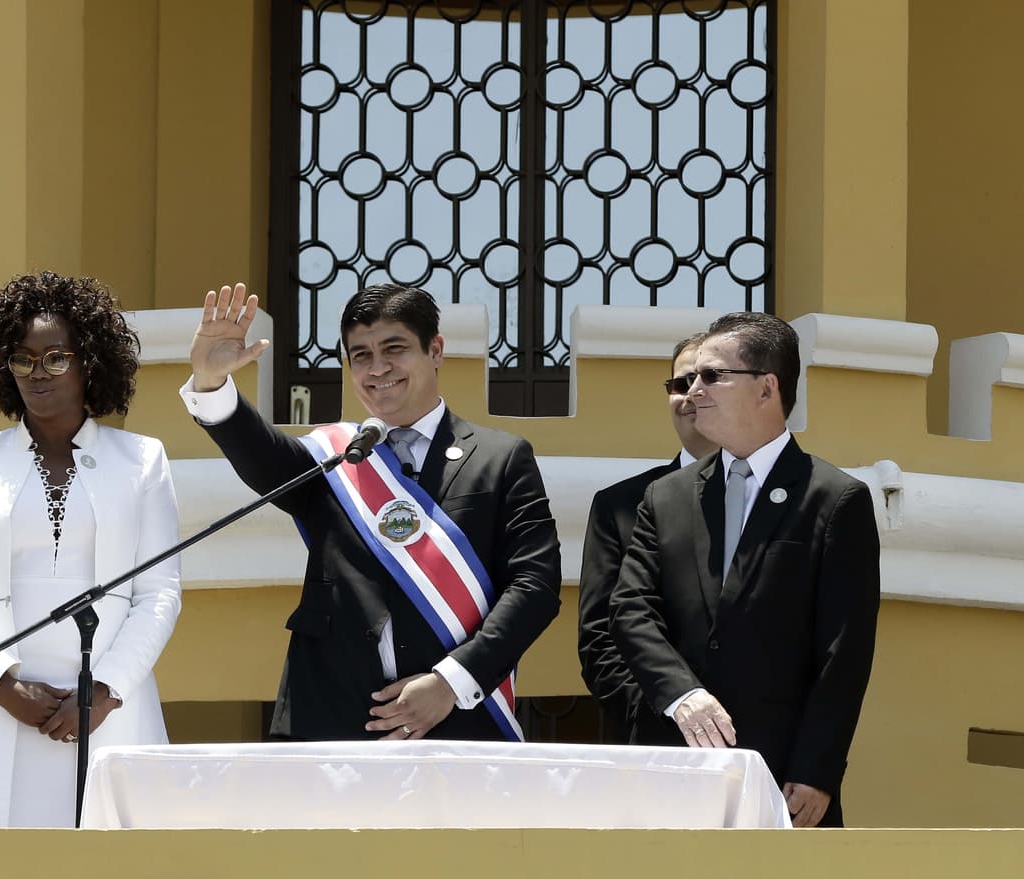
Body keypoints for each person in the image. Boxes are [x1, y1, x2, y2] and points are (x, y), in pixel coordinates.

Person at [179, 282, 561, 741]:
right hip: (330, 721)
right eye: (360, 355)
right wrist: (211, 383)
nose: (377, 368)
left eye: (394, 349)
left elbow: (535, 586)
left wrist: (450, 682)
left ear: (435, 350)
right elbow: (263, 456)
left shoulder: (500, 457)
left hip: (459, 720)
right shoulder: (335, 457)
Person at [0, 272, 182, 828]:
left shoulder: (142, 460)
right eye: (23, 359)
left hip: (109, 710)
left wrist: (106, 690)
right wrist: (2, 684)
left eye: (56, 358)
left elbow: (159, 594)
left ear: (91, 363)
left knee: (108, 856)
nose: (38, 373)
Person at [609, 312, 880, 827]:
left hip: (781, 776)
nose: (693, 391)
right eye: (691, 378)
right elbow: (630, 609)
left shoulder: (834, 499)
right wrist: (681, 694)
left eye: (712, 376)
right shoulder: (665, 497)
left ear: (766, 388)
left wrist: (817, 769)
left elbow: (844, 653)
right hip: (672, 768)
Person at [577, 333, 718, 743]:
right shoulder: (620, 505)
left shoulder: (788, 495)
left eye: (707, 378)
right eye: (680, 383)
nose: (690, 394)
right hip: (663, 740)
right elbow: (601, 639)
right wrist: (662, 718)